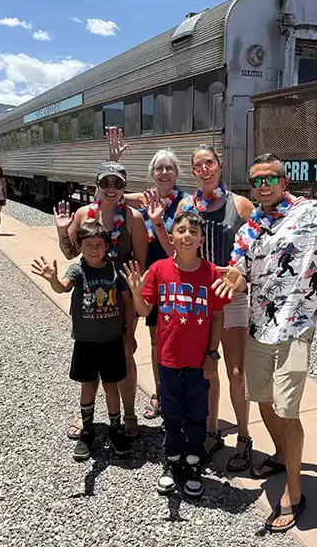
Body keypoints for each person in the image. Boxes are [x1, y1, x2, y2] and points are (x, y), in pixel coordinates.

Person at [212, 145, 317, 532]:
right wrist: (234, 277)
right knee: (264, 401)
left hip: (295, 328)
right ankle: (284, 455)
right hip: (257, 328)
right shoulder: (250, 228)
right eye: (257, 180)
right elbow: (239, 270)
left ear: (284, 181)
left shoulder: (310, 213)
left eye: (271, 178)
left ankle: (295, 492)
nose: (264, 185)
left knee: (287, 411)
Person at [121, 211, 228, 498]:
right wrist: (136, 292)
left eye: (194, 231)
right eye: (181, 230)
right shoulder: (158, 269)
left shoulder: (210, 273)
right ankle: (172, 462)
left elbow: (217, 318)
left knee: (197, 416)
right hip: (168, 360)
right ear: (172, 237)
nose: (187, 236)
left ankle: (193, 463)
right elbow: (145, 311)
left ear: (202, 239)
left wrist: (212, 354)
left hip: (198, 362)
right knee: (171, 415)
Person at [169, 144, 256, 473]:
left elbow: (260, 247)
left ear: (220, 166)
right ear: (193, 172)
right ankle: (211, 431)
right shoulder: (186, 205)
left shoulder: (241, 205)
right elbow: (178, 244)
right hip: (197, 297)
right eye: (198, 166)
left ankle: (244, 436)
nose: (204, 169)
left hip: (231, 297)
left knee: (236, 372)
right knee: (207, 369)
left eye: (209, 163)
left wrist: (243, 278)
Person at [54, 160, 148, 442]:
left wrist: (133, 302)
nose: (111, 189)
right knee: (92, 357)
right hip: (89, 301)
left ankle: (128, 414)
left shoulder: (133, 218)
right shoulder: (84, 213)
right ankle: (88, 417)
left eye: (117, 184)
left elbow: (140, 264)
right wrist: (62, 230)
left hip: (121, 297)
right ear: (97, 185)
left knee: (125, 353)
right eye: (105, 183)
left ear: (123, 188)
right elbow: (71, 252)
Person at [31, 222, 135, 461]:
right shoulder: (77, 271)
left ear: (108, 246)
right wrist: (52, 279)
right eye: (88, 245)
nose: (94, 250)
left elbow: (128, 303)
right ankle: (87, 431)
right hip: (86, 341)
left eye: (99, 244)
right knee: (88, 386)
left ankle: (115, 428)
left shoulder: (116, 271)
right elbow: (62, 287)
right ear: (80, 247)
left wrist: (129, 336)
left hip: (112, 340)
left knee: (112, 387)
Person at [106, 128, 188, 423]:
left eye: (169, 167)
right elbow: (107, 194)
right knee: (146, 341)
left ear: (176, 173)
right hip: (144, 281)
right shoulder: (144, 198)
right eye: (159, 167)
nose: (164, 172)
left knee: (164, 341)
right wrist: (113, 161)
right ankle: (158, 393)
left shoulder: (185, 203)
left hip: (173, 282)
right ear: (152, 173)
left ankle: (169, 393)